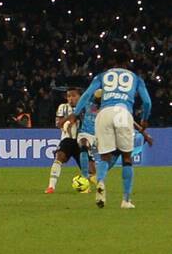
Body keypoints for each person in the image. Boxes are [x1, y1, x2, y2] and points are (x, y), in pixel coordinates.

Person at [66, 65, 154, 209]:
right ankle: (126, 200)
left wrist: (75, 114)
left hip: (104, 113)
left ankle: (100, 181)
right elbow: (147, 102)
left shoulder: (102, 76)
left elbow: (87, 95)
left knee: (105, 157)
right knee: (127, 157)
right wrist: (144, 118)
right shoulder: (136, 78)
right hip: (123, 113)